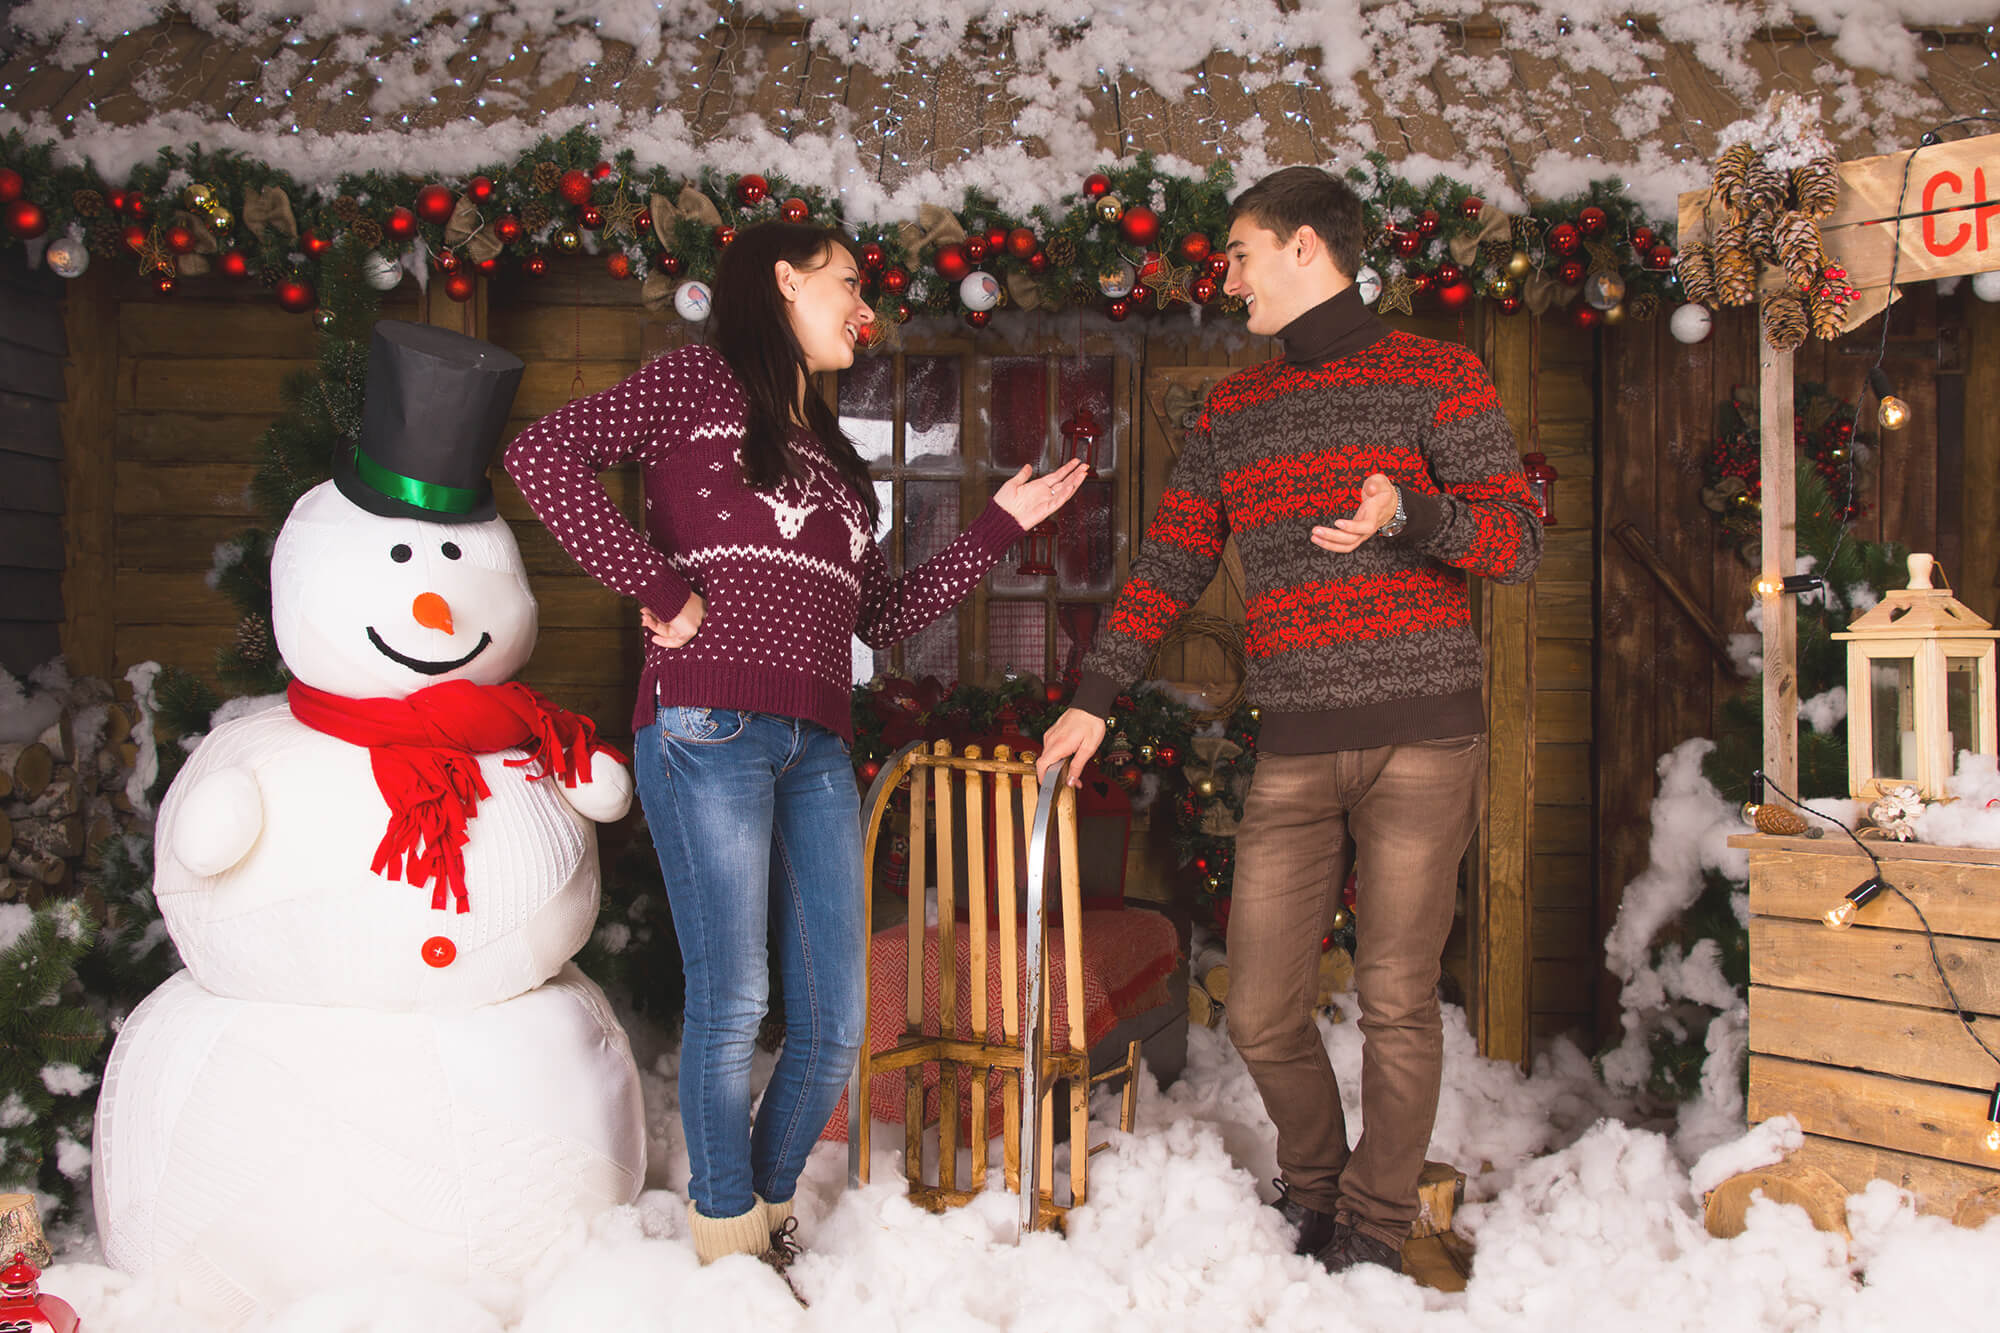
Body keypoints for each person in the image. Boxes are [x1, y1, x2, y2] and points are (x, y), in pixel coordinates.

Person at [506, 222, 1087, 1281]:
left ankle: (759, 1216)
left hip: (817, 743)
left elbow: (887, 612)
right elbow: (537, 455)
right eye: (847, 283)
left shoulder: (830, 453)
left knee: (833, 1020)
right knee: (732, 998)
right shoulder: (690, 383)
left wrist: (995, 525)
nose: (862, 306)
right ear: (782, 281)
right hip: (705, 726)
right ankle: (730, 1246)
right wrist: (661, 589)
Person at [1036, 166, 1542, 1275]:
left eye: (1238, 255)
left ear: (1304, 248)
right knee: (1261, 1008)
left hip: (1424, 739)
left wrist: (1407, 513)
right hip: (1297, 748)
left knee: (1397, 998)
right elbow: (1168, 564)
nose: (1226, 279)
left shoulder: (1435, 376)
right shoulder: (1232, 411)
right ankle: (1314, 1185)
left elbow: (1514, 539)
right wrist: (1089, 701)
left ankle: (1369, 1222)